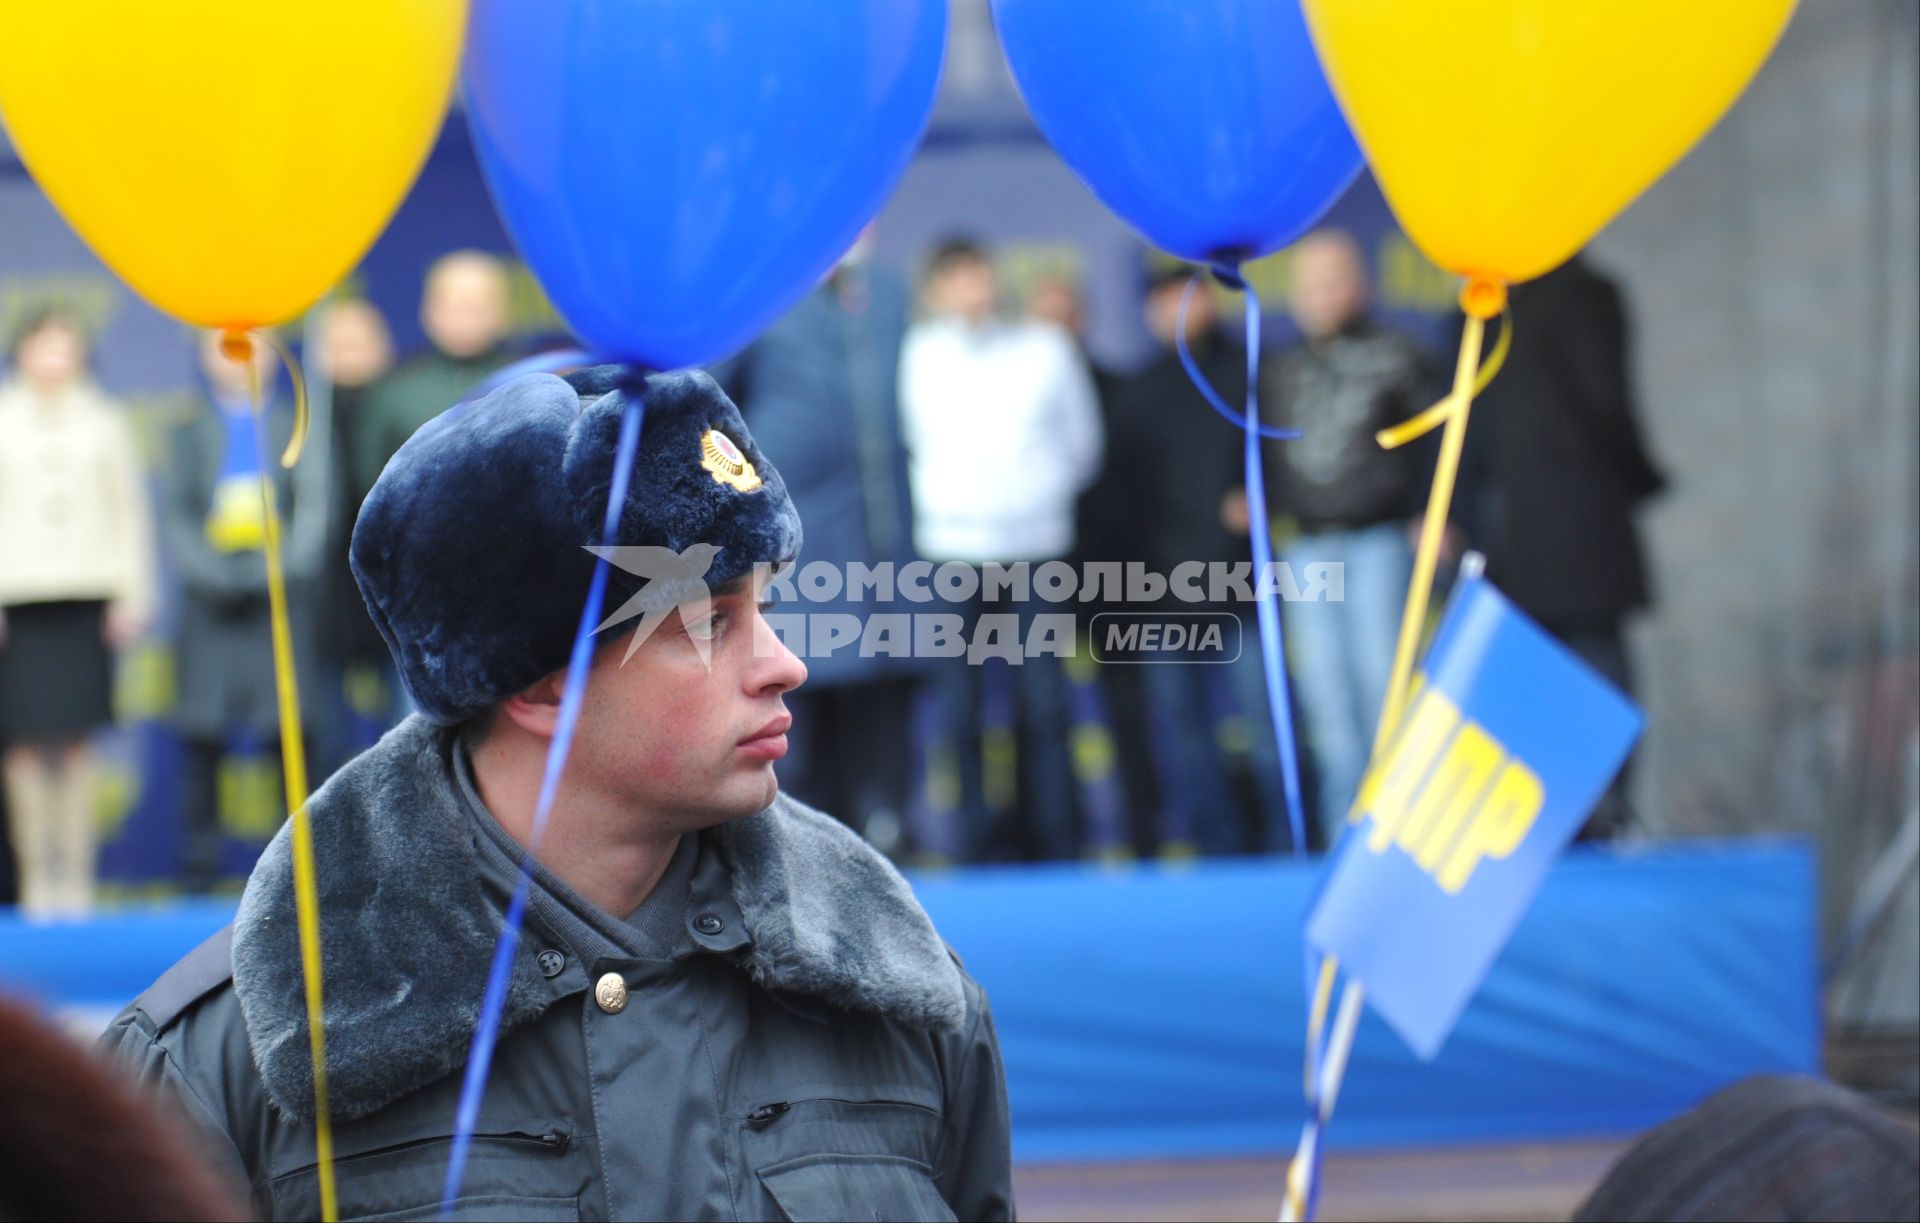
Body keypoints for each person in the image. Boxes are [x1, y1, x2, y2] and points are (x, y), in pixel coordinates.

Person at [100, 368, 1012, 1221]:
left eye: (766, 606)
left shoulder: (906, 995)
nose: (786, 663)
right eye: (707, 620)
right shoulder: (225, 1059)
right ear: (538, 683)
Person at [898, 237, 1104, 862]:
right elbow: (914, 438)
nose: (971, 288)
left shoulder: (1045, 348)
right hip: (951, 550)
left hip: (1037, 549)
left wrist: (1036, 498)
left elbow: (1082, 446)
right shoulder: (920, 353)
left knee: (1042, 703)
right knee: (958, 709)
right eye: (954, 277)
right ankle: (971, 848)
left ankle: (1055, 846)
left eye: (977, 273)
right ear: (934, 290)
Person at [1457, 253, 1666, 838]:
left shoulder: (1545, 300)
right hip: (1546, 529)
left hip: (1553, 526)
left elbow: (1603, 402)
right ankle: (1593, 812)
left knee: (1576, 668)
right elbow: (1607, 403)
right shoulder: (1503, 305)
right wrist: (1642, 476)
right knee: (1575, 668)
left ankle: (1591, 813)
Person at [729, 235, 922, 854]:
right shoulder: (758, 296)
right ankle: (796, 845)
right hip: (795, 540)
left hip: (885, 542)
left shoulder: (889, 295)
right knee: (798, 699)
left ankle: (884, 833)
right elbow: (709, 404)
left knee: (881, 700)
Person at [1259, 230, 1431, 842]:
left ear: (1359, 285)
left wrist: (1433, 516)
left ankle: (1401, 835)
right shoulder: (1276, 368)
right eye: (1307, 283)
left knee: (1384, 689)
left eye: (1332, 280)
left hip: (1376, 542)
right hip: (1304, 548)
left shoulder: (1399, 355)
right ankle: (1347, 841)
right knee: (1328, 704)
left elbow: (1434, 447)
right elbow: (1256, 457)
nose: (1319, 294)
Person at [0, 308, 155, 917]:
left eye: (65, 348)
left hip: (87, 595)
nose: (53, 360)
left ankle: (77, 882)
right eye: (43, 347)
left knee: (78, 740)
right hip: (18, 598)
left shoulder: (106, 419)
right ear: (22, 352)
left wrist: (132, 593)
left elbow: (128, 512)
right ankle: (39, 878)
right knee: (21, 741)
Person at [161, 330, 316, 894]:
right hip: (211, 605)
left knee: (288, 737)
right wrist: (216, 574)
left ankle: (292, 879)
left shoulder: (301, 425)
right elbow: (174, 516)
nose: (239, 360)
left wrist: (278, 570)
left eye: (251, 347)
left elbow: (316, 511)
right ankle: (197, 874)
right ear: (205, 358)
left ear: (275, 360)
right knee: (203, 737)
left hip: (280, 601)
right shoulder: (183, 428)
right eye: (226, 348)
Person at [307, 298, 396, 776]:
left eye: (359, 342)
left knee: (403, 733)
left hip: (393, 590)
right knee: (325, 738)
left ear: (383, 347)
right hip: (325, 594)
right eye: (337, 344)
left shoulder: (402, 410)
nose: (348, 355)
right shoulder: (302, 420)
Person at [349, 249, 513, 502]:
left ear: (503, 312)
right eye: (456, 304)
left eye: (479, 304)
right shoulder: (395, 390)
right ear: (429, 311)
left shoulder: (531, 381)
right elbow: (368, 484)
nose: (467, 316)